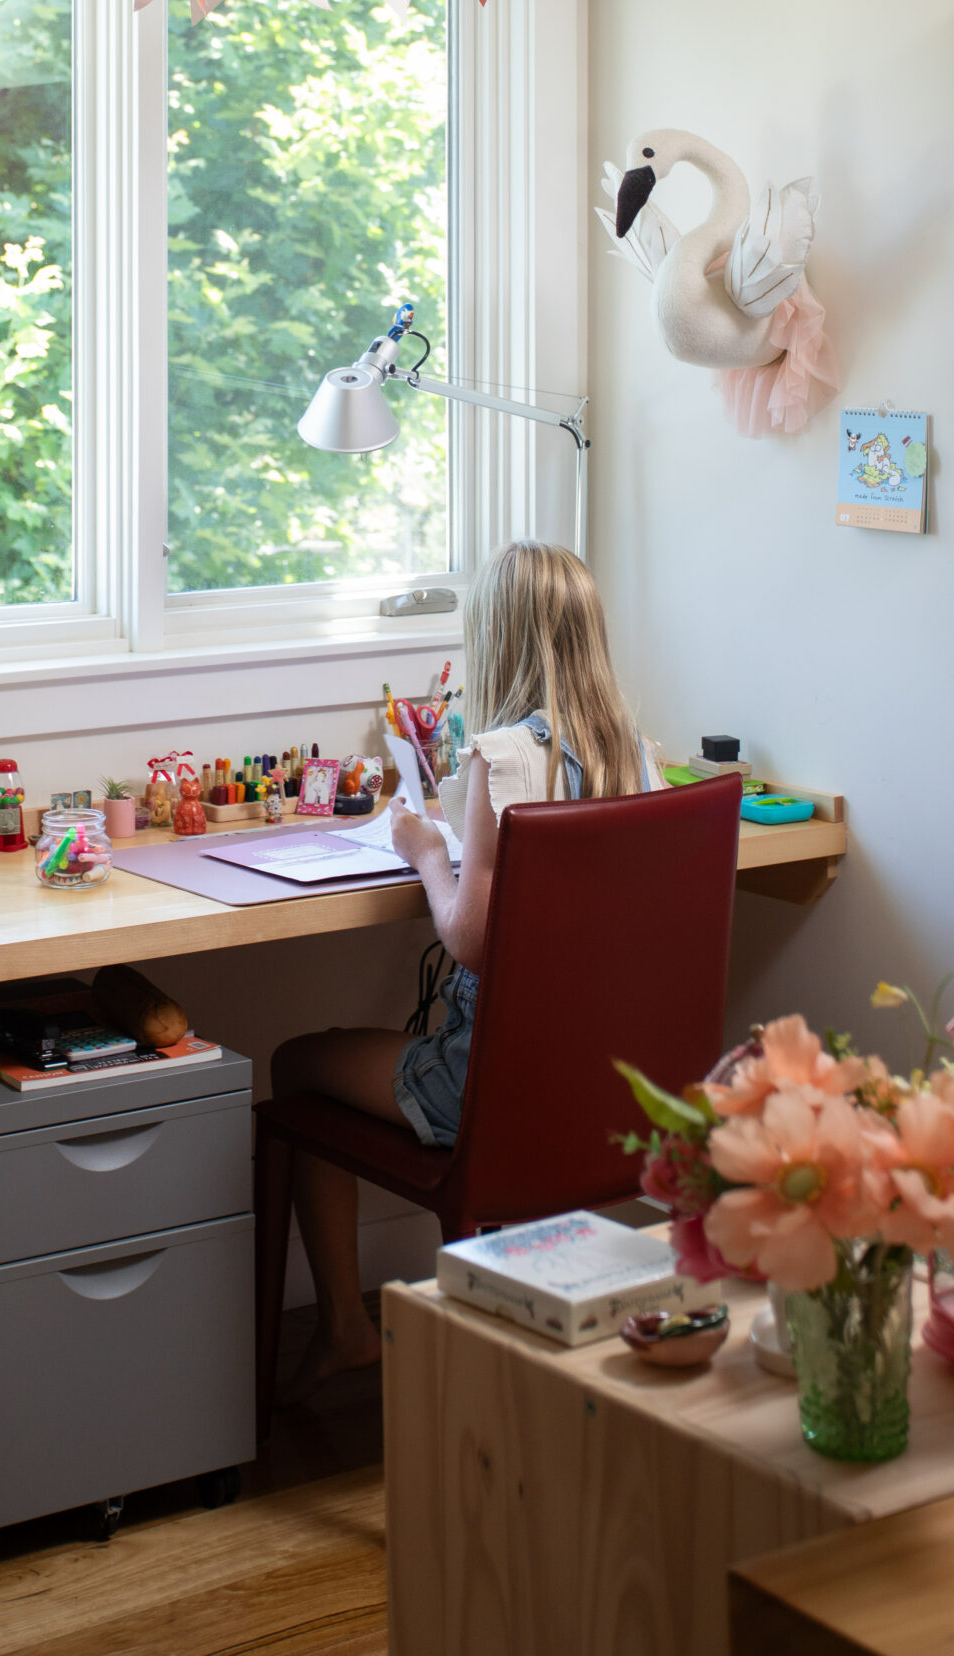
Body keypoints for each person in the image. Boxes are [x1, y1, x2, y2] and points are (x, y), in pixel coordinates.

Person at [268, 541, 659, 1403]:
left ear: (496, 640)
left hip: (492, 1086)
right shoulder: (633, 753)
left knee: (296, 1063)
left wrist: (419, 852)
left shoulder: (503, 756)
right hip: (609, 1085)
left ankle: (344, 1327)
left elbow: (469, 939)